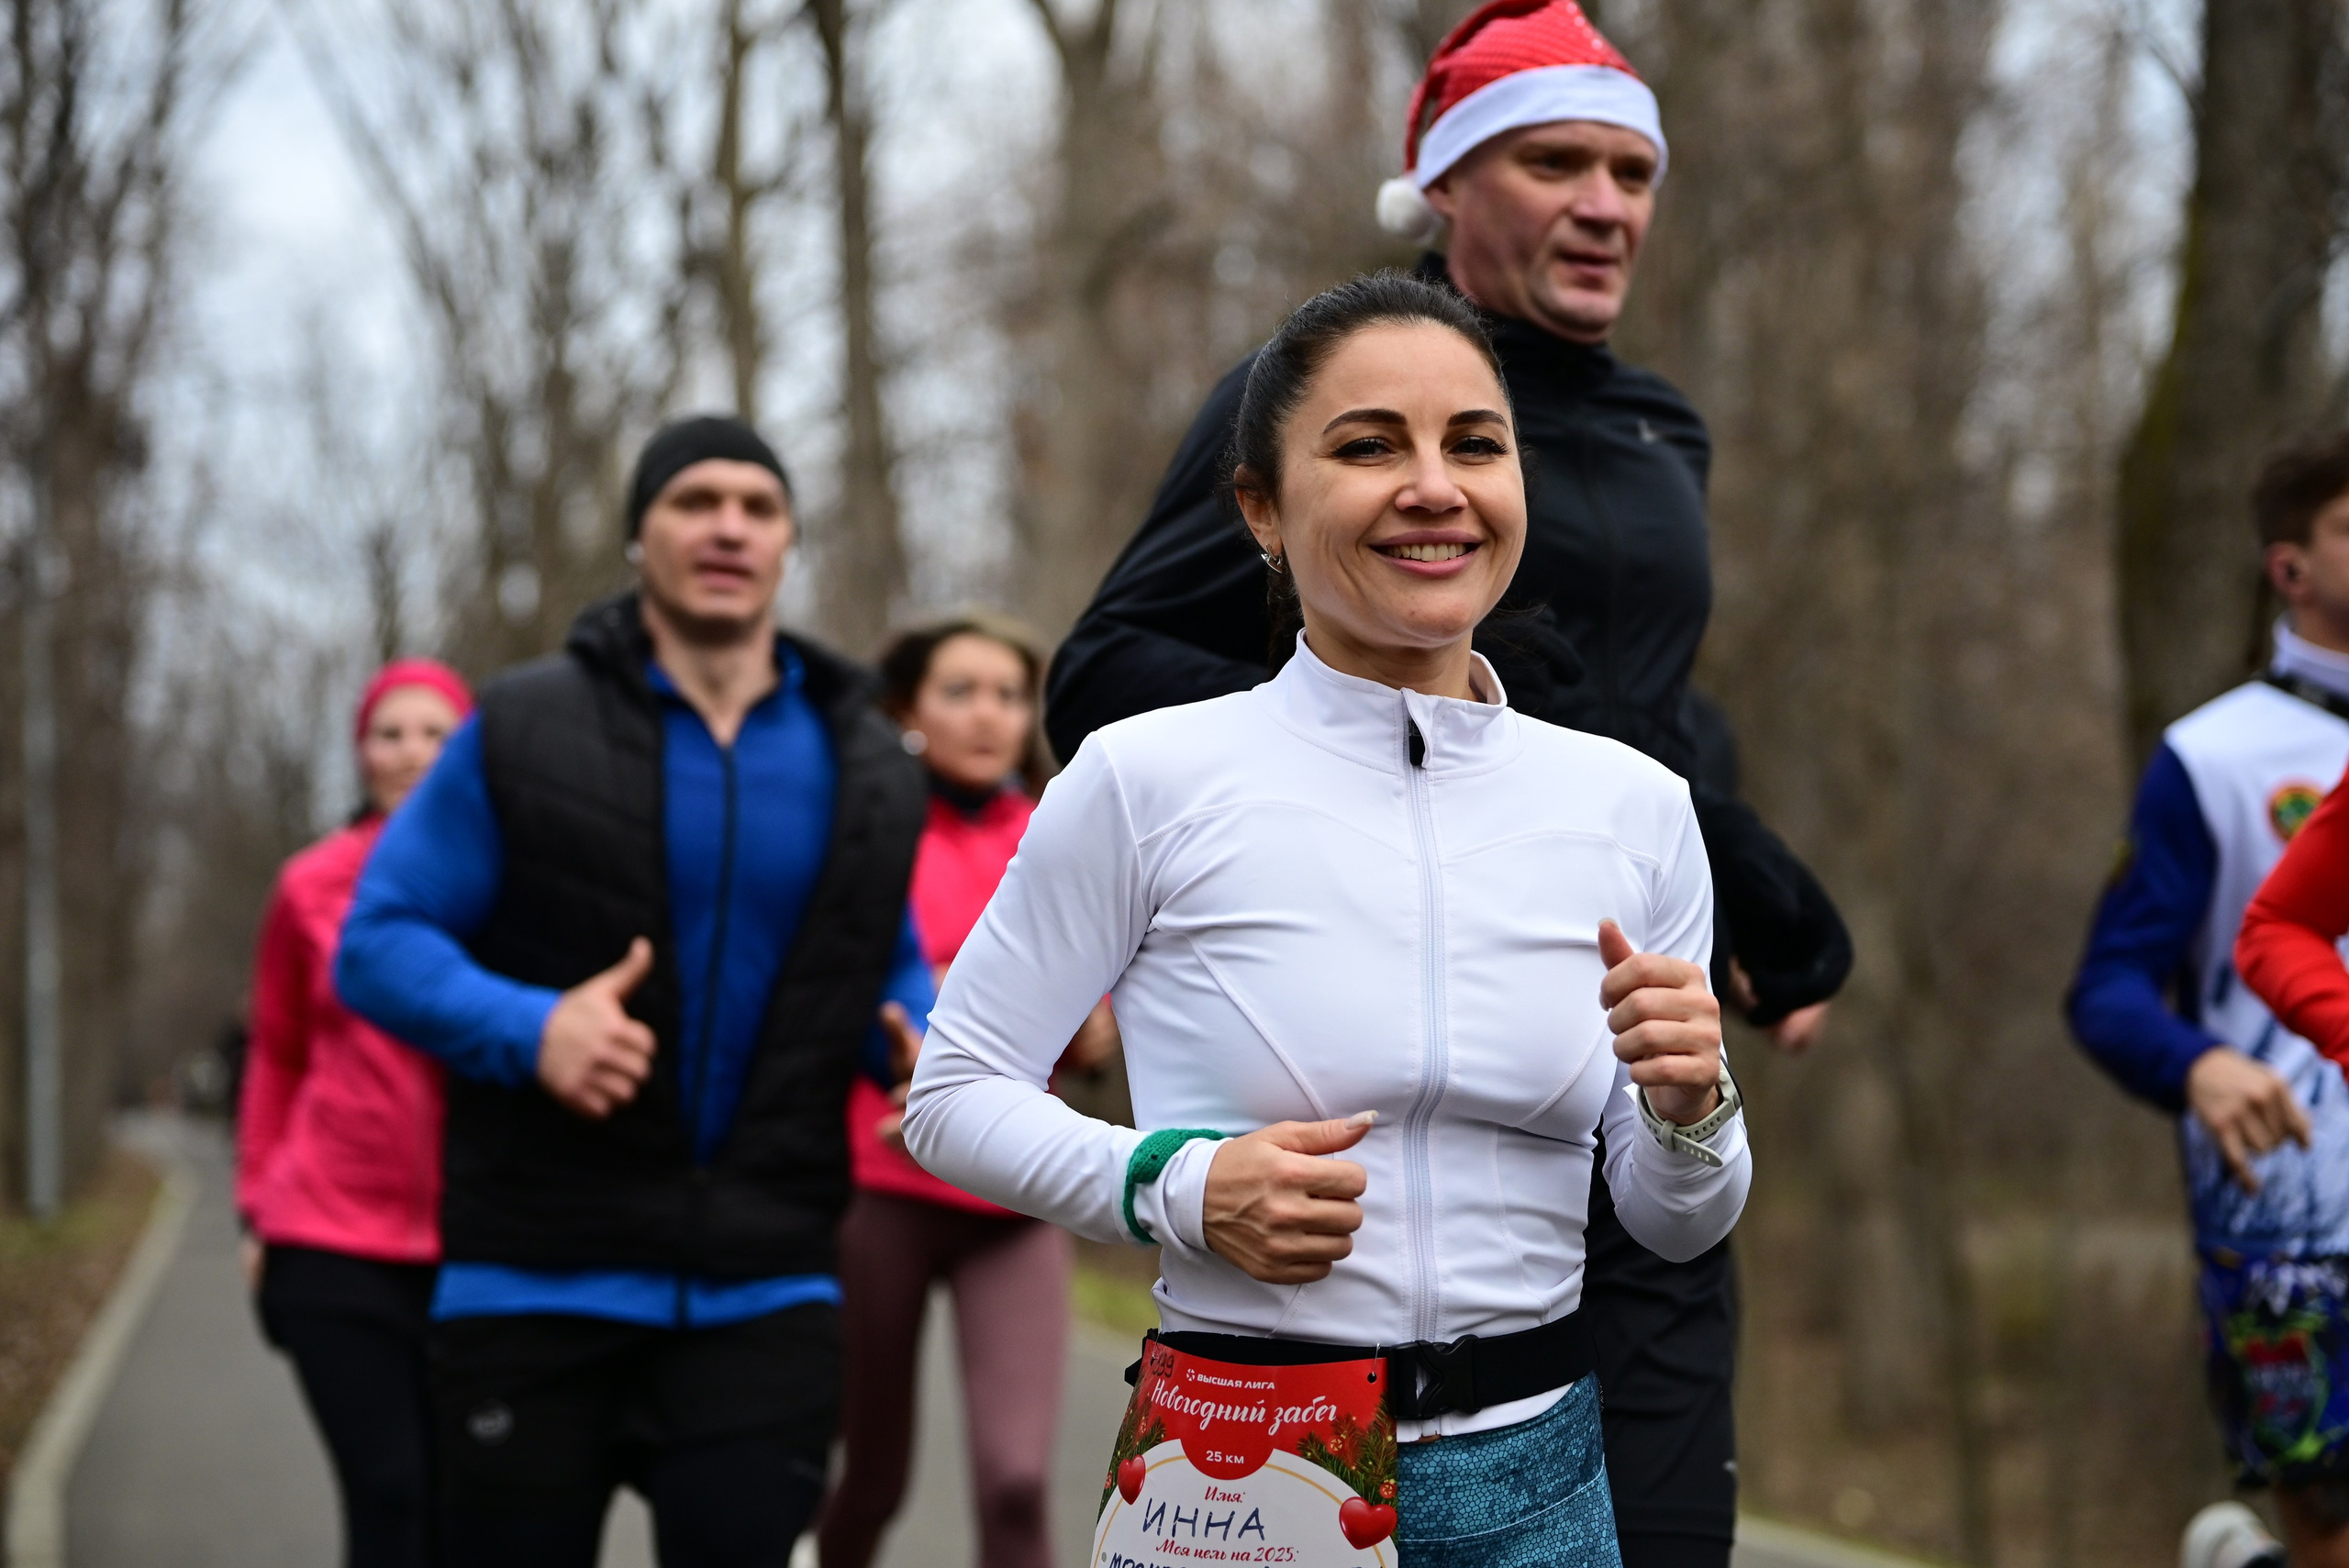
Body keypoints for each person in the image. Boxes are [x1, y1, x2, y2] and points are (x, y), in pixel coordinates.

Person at [1038, 7, 1842, 1564]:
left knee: (1671, 1530)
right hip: (1386, 1110)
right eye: (1553, 164)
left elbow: (1648, 700)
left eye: (1631, 172)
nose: (1602, 205)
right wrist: (1425, 733)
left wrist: (1736, 880)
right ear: (1446, 186)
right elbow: (1105, 668)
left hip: (1612, 1081)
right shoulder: (1325, 395)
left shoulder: (1661, 425)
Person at [907, 272, 1750, 1566]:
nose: (1435, 487)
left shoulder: (1634, 807)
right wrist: (1179, 1184)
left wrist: (1693, 1109)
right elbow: (953, 1094)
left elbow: (1672, 1217)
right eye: (1368, 446)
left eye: (1476, 443)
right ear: (1261, 506)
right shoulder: (1143, 778)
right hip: (1238, 1464)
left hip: (1541, 1481)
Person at [335, 416, 934, 1568]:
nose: (728, 526)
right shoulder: (523, 724)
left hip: (767, 1288)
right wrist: (531, 1027)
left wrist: (927, 1047)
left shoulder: (863, 756)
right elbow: (380, 939)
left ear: (788, 541)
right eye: (694, 500)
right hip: (531, 1280)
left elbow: (882, 955)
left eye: (758, 506)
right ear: (637, 537)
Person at [2068, 428, 2349, 1568]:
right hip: (2291, 1218)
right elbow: (2106, 985)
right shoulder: (2214, 756)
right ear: (2290, 566)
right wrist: (2198, 1062)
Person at [818, 617, 1116, 1568]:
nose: (988, 714)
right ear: (906, 710)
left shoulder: (1060, 828)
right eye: (960, 691)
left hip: (1016, 1190)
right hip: (883, 1184)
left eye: (1008, 693)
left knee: (1017, 1482)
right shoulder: (865, 826)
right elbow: (836, 980)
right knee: (868, 1475)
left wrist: (1094, 1028)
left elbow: (1098, 1003)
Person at [236, 657, 473, 1568]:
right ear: (361, 751)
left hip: (475, 1245)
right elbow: (278, 1051)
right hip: (328, 1236)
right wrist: (257, 1206)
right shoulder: (309, 885)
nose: (411, 752)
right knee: (389, 1494)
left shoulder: (509, 876)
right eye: (389, 733)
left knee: (464, 1507)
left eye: (435, 733)